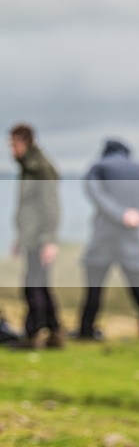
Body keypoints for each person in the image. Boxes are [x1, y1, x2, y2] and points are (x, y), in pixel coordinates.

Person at [77, 139, 139, 340]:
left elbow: (96, 194)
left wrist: (120, 214)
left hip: (103, 236)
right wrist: (138, 213)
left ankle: (86, 330)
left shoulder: (98, 167)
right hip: (131, 237)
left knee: (94, 288)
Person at [8, 123, 63, 349]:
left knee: (32, 287)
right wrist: (20, 238)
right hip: (31, 237)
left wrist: (49, 240)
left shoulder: (40, 168)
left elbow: (50, 205)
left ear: (26, 142)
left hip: (40, 239)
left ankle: (34, 335)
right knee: (41, 285)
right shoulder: (28, 167)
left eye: (14, 144)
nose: (12, 149)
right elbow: (28, 208)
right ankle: (55, 333)